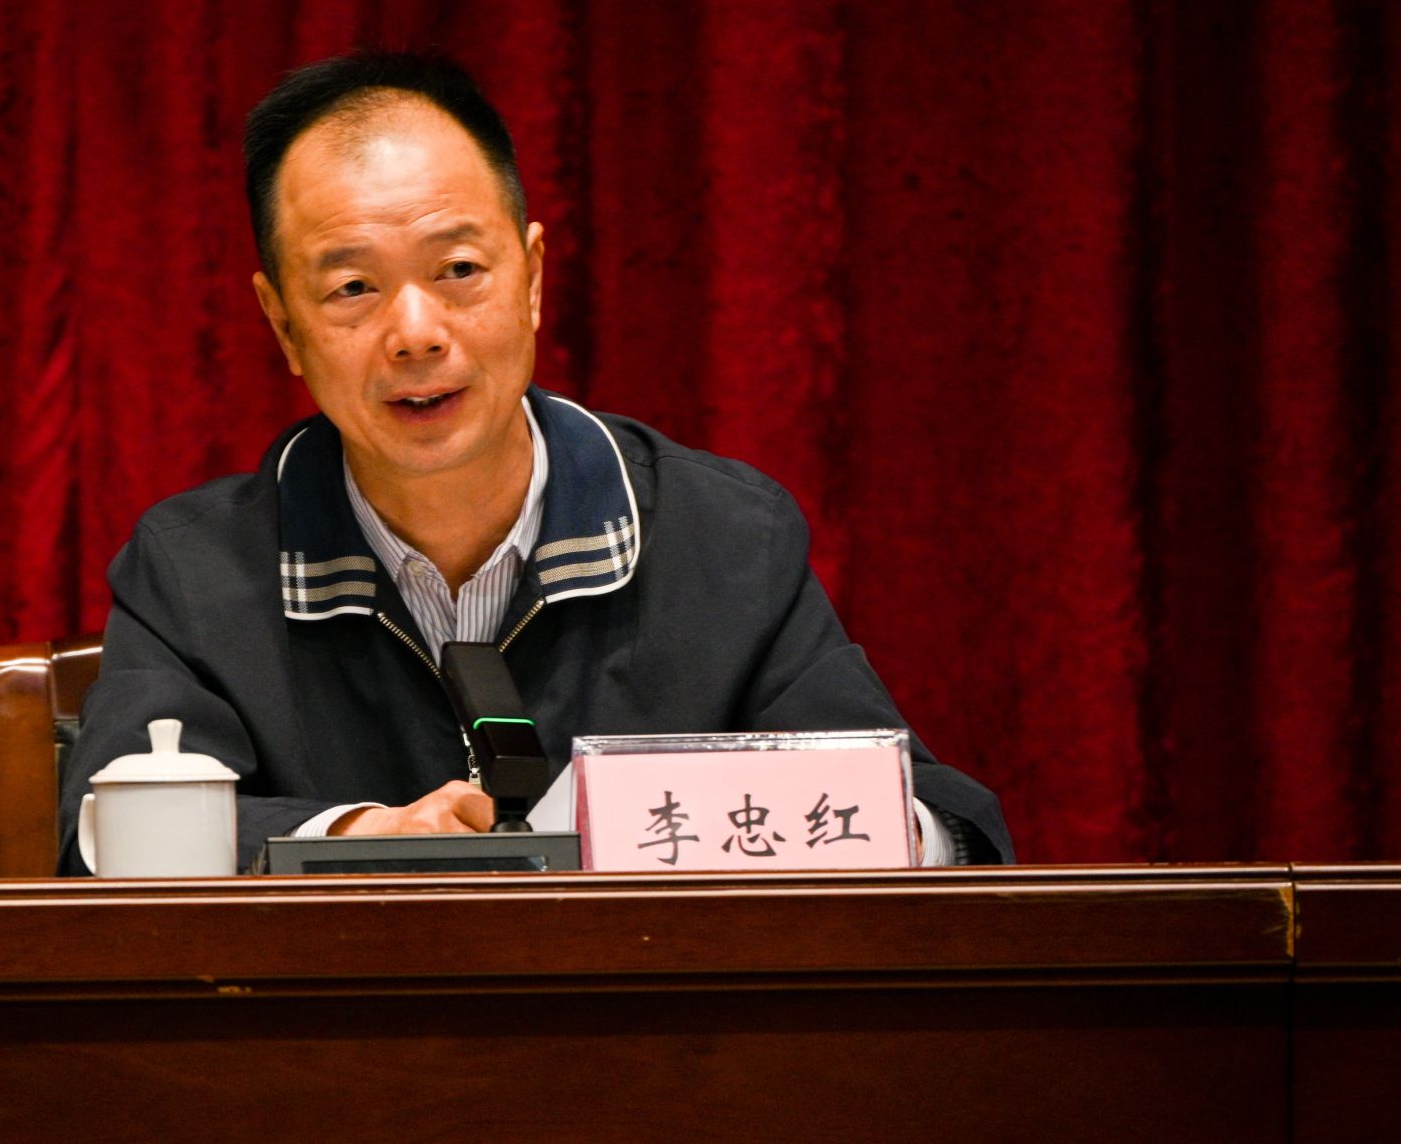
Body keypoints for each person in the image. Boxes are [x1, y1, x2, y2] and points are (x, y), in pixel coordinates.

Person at [58, 51, 1011, 874]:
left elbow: (940, 826)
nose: (416, 332)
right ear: (283, 326)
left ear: (534, 277)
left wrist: (721, 823)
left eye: (458, 270)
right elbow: (100, 841)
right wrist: (356, 837)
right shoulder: (195, 569)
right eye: (352, 287)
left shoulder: (723, 540)